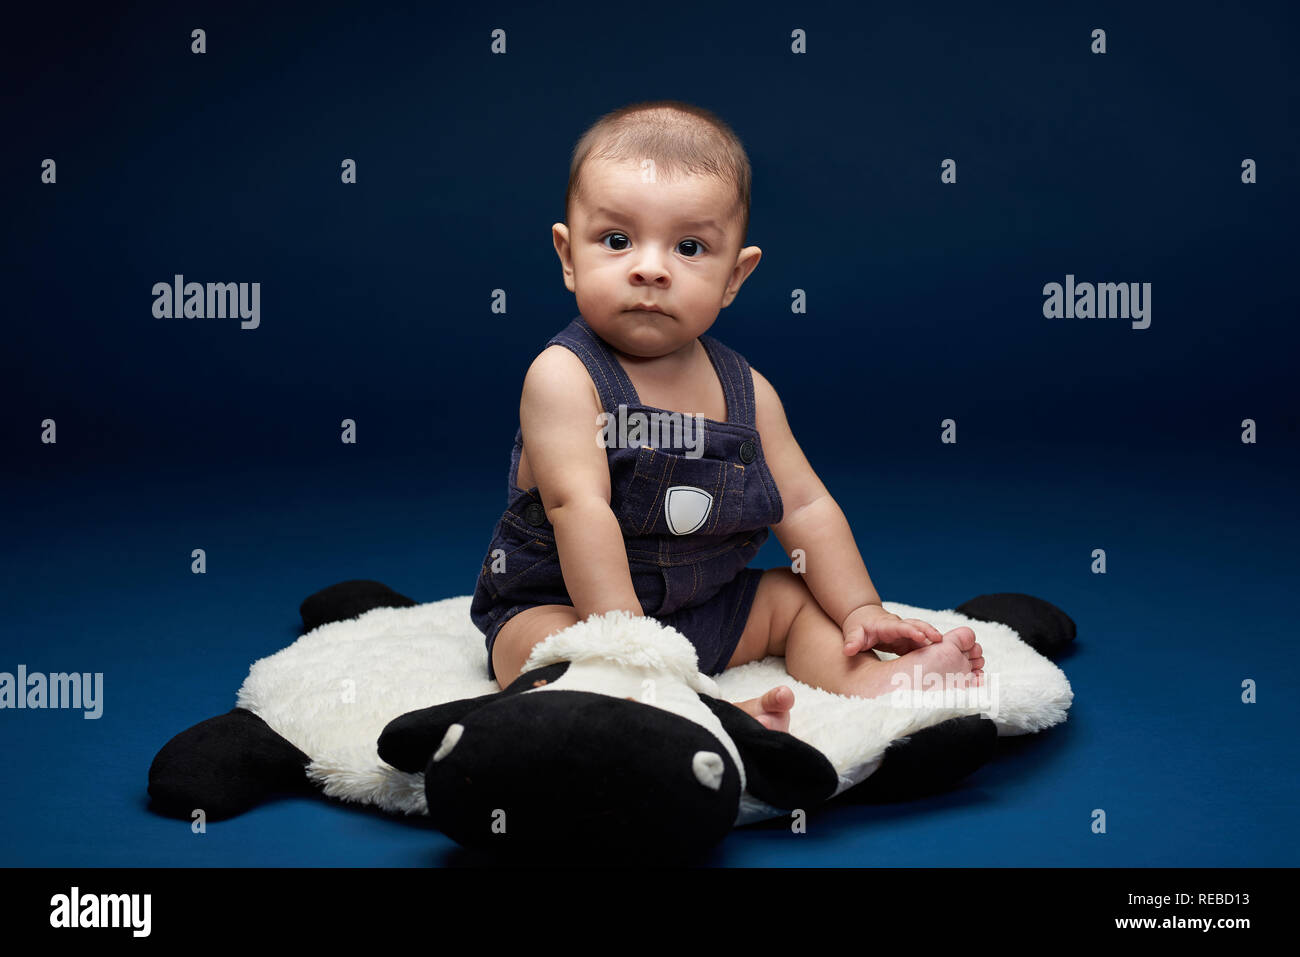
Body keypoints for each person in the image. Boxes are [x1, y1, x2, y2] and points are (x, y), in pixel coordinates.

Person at [470, 100, 984, 732]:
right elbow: (580, 507)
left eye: (689, 247)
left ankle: (874, 678)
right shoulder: (565, 376)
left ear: (734, 276)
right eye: (616, 240)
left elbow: (803, 507)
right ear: (568, 255)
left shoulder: (748, 391)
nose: (651, 267)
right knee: (552, 658)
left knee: (794, 603)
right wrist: (631, 645)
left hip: (704, 606)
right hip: (570, 605)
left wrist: (860, 608)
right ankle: (693, 717)